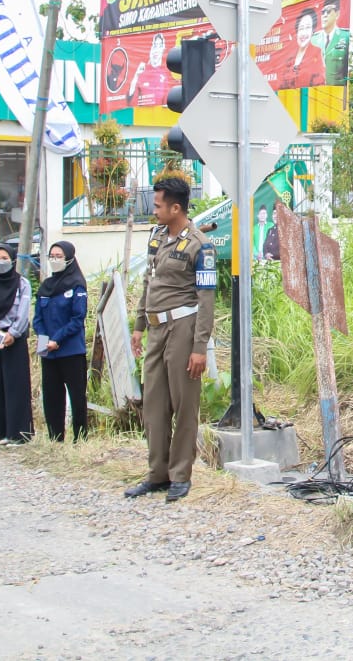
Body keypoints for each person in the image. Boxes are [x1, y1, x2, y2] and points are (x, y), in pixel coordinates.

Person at [125, 175, 217, 502]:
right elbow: (149, 283)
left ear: (176, 208)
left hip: (183, 328)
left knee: (184, 405)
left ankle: (180, 475)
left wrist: (199, 347)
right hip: (155, 329)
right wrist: (138, 325)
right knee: (154, 406)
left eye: (160, 204)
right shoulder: (157, 237)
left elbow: (206, 299)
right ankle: (157, 474)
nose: (155, 209)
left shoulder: (199, 246)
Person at [0, 244, 33, 444]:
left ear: (12, 260)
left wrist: (12, 334)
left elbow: (23, 312)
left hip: (14, 340)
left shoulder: (22, 284)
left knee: (16, 384)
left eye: (4, 258)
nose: (0, 262)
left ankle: (18, 434)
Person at [35, 241, 89, 442]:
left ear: (69, 258)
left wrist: (57, 339)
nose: (55, 259)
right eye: (52, 255)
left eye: (59, 256)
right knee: (51, 395)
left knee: (77, 396)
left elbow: (77, 318)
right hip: (47, 348)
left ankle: (80, 438)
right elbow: (37, 318)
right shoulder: (45, 286)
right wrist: (44, 340)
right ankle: (55, 437)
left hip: (71, 349)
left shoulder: (77, 284)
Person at [286, 8, 325, 88]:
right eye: (301, 28)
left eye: (307, 28)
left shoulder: (316, 53)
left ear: (312, 31)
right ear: (296, 32)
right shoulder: (289, 56)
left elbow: (320, 84)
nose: (303, 33)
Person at [321, 0, 349, 85]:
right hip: (315, 91)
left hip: (337, 92)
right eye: (323, 12)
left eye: (328, 11)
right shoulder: (314, 39)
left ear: (337, 14)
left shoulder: (345, 37)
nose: (325, 15)